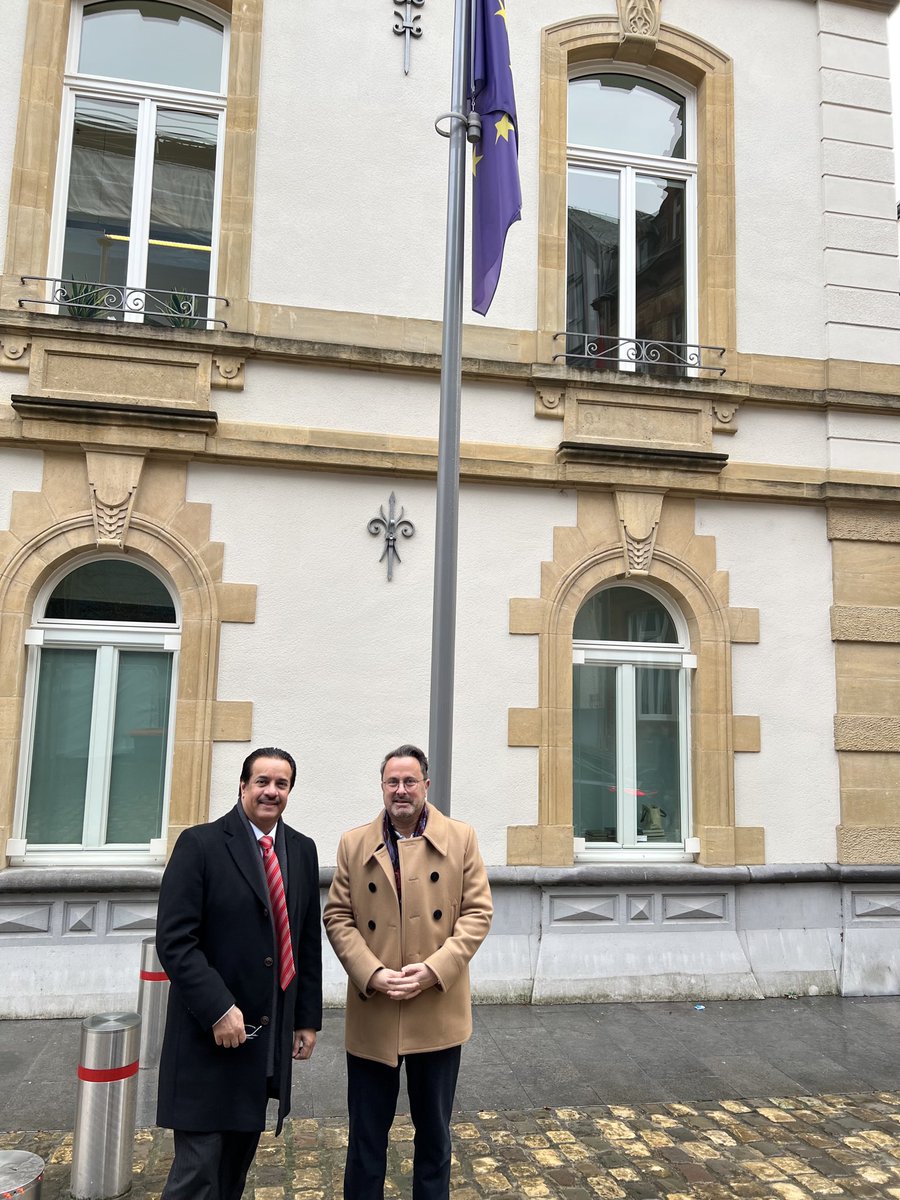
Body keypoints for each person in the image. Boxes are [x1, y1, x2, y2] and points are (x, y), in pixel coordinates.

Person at [323, 743, 492, 1200]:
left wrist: (435, 970)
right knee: (365, 1139)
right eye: (393, 782)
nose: (401, 790)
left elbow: (478, 914)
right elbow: (338, 916)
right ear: (382, 787)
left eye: (410, 781)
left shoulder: (461, 837)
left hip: (436, 1008)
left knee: (435, 1137)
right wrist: (372, 973)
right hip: (374, 1008)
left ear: (426, 785)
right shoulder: (353, 842)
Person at [156, 746, 323, 1200]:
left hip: (262, 1043)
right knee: (196, 1175)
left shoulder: (302, 850)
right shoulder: (201, 844)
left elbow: (305, 941)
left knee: (234, 1172)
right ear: (244, 786)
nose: (272, 792)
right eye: (263, 782)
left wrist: (305, 1018)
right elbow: (175, 941)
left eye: (281, 784)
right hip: (207, 1041)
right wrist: (217, 1008)